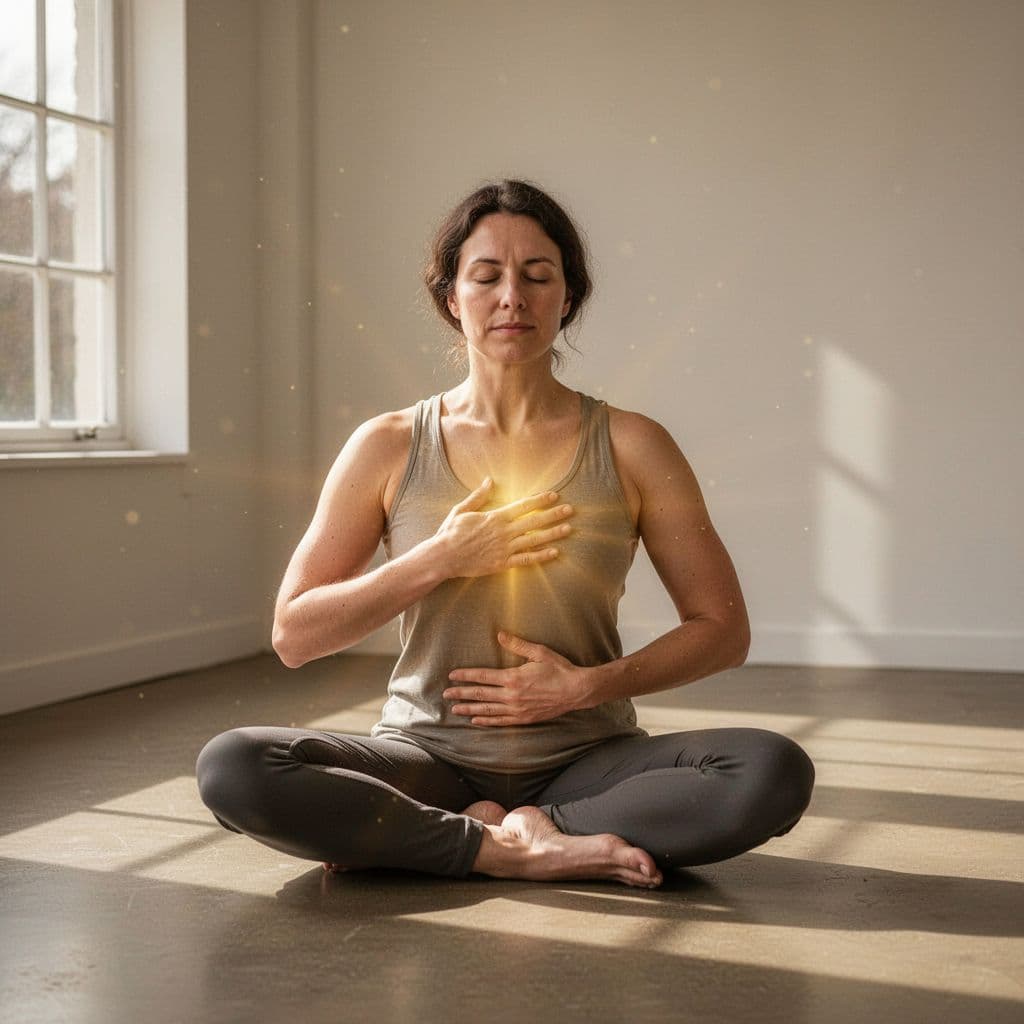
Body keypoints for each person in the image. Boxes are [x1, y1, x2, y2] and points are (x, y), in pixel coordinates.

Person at [195, 179, 814, 889]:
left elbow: (722, 629)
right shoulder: (389, 445)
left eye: (537, 276)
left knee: (771, 772)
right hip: (427, 758)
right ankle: (512, 846)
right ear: (452, 298)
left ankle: (463, 837)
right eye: (486, 276)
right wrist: (441, 557)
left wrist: (584, 688)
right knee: (235, 768)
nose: (511, 297)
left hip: (589, 760)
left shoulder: (635, 445)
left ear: (568, 298)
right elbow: (295, 635)